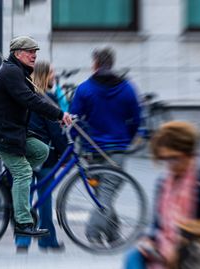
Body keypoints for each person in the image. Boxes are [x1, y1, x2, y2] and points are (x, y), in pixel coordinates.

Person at [0, 36, 72, 237]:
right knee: (23, 173)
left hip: (12, 131)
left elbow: (35, 97)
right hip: (0, 133)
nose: (34, 55)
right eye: (30, 51)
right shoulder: (11, 72)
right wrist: (58, 114)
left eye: (35, 51)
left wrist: (58, 115)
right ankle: (22, 222)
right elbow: (29, 100)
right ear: (17, 53)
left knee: (42, 150)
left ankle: (10, 184)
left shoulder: (19, 72)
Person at [123, 121, 200, 269]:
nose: (170, 165)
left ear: (190, 153)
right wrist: (148, 239)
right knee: (133, 256)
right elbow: (157, 223)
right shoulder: (163, 181)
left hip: (199, 254)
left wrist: (184, 244)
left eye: (174, 158)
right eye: (165, 159)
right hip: (164, 251)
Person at [69, 46, 141, 244]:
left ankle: (98, 233)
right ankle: (109, 235)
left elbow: (74, 119)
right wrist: (128, 138)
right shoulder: (127, 88)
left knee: (103, 194)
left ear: (96, 64)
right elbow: (136, 118)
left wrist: (72, 140)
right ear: (112, 63)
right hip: (117, 150)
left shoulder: (84, 89)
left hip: (91, 150)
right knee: (106, 194)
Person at [14, 61, 67, 252]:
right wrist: (65, 154)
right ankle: (47, 240)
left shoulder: (24, 97)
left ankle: (22, 241)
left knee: (24, 197)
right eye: (52, 72)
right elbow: (55, 132)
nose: (54, 75)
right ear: (45, 76)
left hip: (23, 153)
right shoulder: (47, 99)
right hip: (46, 156)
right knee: (45, 199)